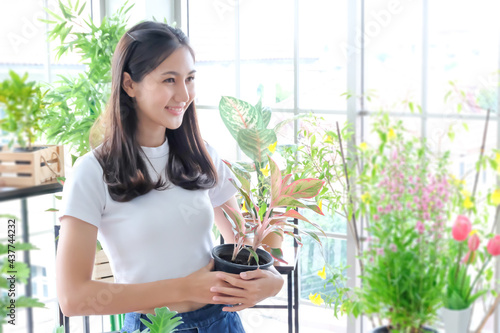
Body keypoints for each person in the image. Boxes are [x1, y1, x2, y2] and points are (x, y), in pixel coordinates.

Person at [56, 21, 284, 333]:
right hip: (154, 327)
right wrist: (187, 288)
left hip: (222, 321)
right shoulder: (92, 172)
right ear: (129, 84)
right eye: (169, 80)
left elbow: (242, 245)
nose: (183, 94)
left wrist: (271, 280)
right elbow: (73, 298)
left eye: (190, 79)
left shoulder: (202, 156)